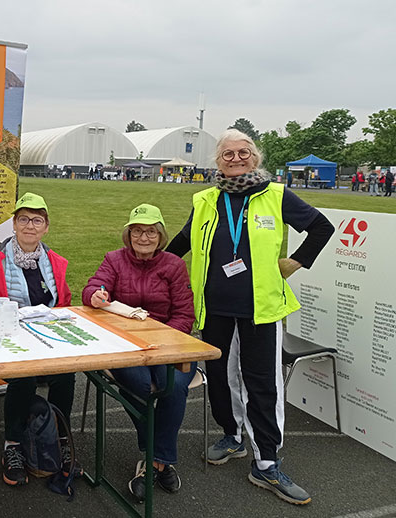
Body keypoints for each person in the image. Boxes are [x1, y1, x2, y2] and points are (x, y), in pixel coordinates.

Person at [166, 129, 333, 506]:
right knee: (221, 378)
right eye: (228, 154)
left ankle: (267, 461)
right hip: (215, 308)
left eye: (243, 152)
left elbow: (321, 227)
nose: (236, 158)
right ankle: (232, 436)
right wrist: (150, 265)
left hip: (261, 309)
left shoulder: (276, 194)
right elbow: (186, 239)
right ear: (218, 160)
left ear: (255, 157)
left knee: (263, 383)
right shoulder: (207, 198)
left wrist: (296, 261)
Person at [83, 204, 195, 502]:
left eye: (150, 231)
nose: (143, 237)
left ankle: (154, 462)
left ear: (160, 235)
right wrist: (96, 295)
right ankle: (161, 459)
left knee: (175, 386)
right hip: (125, 344)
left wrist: (162, 342)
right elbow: (93, 288)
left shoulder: (174, 265)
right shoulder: (114, 260)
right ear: (128, 234)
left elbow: (185, 315)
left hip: (169, 344)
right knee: (140, 385)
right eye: (137, 231)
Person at [0, 192, 75, 487]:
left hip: (48, 340)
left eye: (37, 220)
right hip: (9, 341)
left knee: (65, 375)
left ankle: (59, 437)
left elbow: (64, 304)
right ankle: (13, 445)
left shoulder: (55, 262)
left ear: (46, 227)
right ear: (14, 225)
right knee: (23, 377)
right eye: (23, 219)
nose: (30, 226)